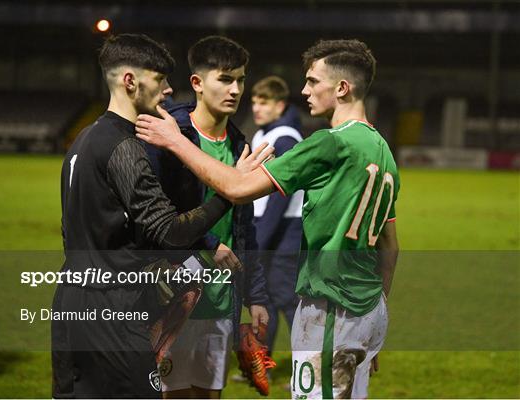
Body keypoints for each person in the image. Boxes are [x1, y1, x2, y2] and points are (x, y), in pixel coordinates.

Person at [137, 38, 400, 399]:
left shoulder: (329, 143)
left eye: (312, 81)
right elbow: (391, 245)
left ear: (341, 88)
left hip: (331, 309)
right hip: (367, 307)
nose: (303, 91)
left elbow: (238, 187)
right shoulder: (382, 149)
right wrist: (375, 318)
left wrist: (174, 140)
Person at [53, 33, 264, 398]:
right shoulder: (125, 147)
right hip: (113, 308)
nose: (168, 90)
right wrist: (230, 194)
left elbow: (69, 228)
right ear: (130, 81)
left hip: (71, 302)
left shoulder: (83, 140)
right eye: (160, 79)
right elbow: (169, 231)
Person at [144, 36, 269, 399]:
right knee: (171, 394)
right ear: (197, 83)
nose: (235, 89)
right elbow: (155, 215)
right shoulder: (170, 135)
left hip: (220, 298)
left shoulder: (238, 143)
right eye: (225, 79)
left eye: (241, 80)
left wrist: (255, 296)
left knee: (208, 395)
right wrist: (209, 244)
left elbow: (246, 227)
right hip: (173, 294)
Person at [250, 76, 303, 354]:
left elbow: (279, 199)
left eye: (264, 102)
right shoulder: (265, 134)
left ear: (280, 105)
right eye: (254, 102)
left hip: (285, 231)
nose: (257, 108)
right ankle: (263, 363)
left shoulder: (286, 139)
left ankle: (308, 369)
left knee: (288, 300)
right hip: (267, 227)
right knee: (266, 298)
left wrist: (257, 241)